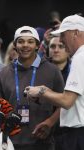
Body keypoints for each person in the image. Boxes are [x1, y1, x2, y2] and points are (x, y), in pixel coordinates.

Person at [0, 26, 64, 150]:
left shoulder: (52, 71)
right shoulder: (4, 74)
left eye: (30, 41)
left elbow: (64, 103)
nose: (25, 45)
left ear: (37, 45)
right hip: (10, 143)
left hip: (43, 142)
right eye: (21, 41)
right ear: (15, 45)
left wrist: (50, 123)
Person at [24, 14, 84, 150]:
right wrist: (51, 122)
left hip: (78, 135)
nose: (61, 40)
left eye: (63, 35)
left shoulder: (80, 57)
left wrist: (41, 91)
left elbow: (67, 101)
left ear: (75, 33)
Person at [49, 35, 70, 150]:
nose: (56, 50)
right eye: (52, 46)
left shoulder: (76, 72)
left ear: (68, 49)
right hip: (44, 131)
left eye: (60, 46)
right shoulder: (38, 72)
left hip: (69, 131)